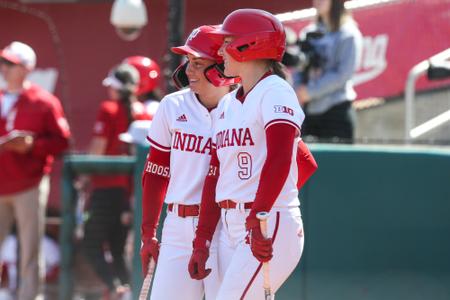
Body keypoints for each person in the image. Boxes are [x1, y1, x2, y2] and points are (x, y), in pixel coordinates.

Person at [188, 9, 311, 299]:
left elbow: (281, 157)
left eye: (227, 41)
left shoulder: (275, 91)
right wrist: (202, 239)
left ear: (250, 44)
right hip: (231, 224)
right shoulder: (228, 102)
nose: (220, 50)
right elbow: (214, 173)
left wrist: (259, 215)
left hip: (267, 220)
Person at [139, 25, 239, 300]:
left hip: (226, 227)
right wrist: (148, 232)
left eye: (198, 63)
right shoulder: (172, 106)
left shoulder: (245, 107)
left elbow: (300, 160)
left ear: (221, 68)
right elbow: (156, 173)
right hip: (178, 226)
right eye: (188, 62)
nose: (188, 71)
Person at [0, 41, 70, 300]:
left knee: (30, 249)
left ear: (27, 69)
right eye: (3, 63)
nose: (4, 68)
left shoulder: (44, 101)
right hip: (1, 182)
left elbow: (62, 141)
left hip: (29, 183)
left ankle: (30, 296)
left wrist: (32, 146)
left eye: (11, 64)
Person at [82, 63, 150, 299]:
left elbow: (98, 148)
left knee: (91, 244)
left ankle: (116, 288)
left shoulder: (109, 109)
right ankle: (127, 290)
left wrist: (83, 176)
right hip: (133, 191)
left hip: (107, 189)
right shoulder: (143, 111)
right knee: (119, 249)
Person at [296, 0, 362, 143]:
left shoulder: (348, 33)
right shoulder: (308, 32)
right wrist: (298, 91)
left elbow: (343, 75)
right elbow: (298, 66)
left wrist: (310, 91)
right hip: (308, 113)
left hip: (336, 112)